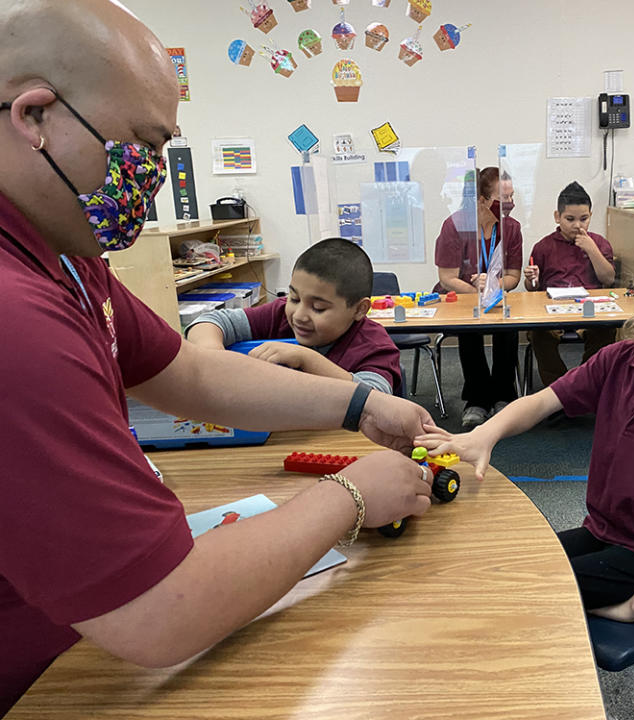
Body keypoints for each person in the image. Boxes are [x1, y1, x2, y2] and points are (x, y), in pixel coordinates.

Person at [0, 2, 435, 713]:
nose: (156, 178)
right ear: (35, 115)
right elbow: (161, 609)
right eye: (141, 144)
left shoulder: (67, 257)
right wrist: (349, 496)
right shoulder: (16, 319)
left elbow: (189, 372)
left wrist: (359, 403)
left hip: (82, 650)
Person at [418, 223, 634, 621]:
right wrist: (484, 434)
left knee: (517, 594)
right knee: (503, 569)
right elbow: (540, 402)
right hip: (603, 535)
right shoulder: (618, 360)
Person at [185, 238, 401, 396]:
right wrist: (213, 357)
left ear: (359, 310)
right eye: (294, 298)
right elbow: (209, 321)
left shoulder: (375, 345)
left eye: (318, 308)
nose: (299, 315)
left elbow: (377, 397)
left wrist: (307, 359)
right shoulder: (278, 313)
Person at [434, 166, 522, 429]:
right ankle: (477, 399)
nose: (510, 204)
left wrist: (493, 287)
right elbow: (447, 277)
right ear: (482, 200)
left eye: (512, 196)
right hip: (460, 298)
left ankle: (504, 396)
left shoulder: (512, 228)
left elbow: (513, 276)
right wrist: (476, 292)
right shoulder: (455, 226)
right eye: (504, 198)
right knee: (469, 329)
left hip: (495, 298)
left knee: (508, 328)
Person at [524, 181, 617, 387]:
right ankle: (560, 388)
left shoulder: (599, 243)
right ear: (557, 217)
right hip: (553, 312)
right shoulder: (544, 246)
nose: (577, 225)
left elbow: (608, 279)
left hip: (589, 311)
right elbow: (531, 289)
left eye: (584, 219)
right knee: (539, 334)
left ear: (591, 216)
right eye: (570, 219)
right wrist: (532, 279)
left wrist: (591, 249)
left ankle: (584, 384)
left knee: (606, 331)